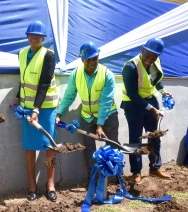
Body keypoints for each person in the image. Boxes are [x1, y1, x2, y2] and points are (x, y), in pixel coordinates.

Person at [56, 41, 120, 178]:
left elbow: (106, 101)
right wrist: (59, 113)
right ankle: (93, 178)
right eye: (88, 59)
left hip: (108, 116)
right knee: (89, 148)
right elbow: (69, 95)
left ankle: (114, 177)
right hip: (87, 117)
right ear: (82, 59)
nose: (92, 62)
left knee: (112, 145)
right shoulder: (76, 74)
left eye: (95, 59)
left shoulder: (107, 74)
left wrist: (100, 125)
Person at [11, 21, 59, 202]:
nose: (34, 38)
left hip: (45, 107)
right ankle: (32, 185)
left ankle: (50, 184)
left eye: (38, 36)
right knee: (30, 146)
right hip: (26, 107)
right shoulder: (22, 53)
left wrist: (37, 108)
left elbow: (44, 83)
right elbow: (23, 80)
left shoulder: (48, 55)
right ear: (27, 36)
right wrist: (17, 97)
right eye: (31, 35)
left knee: (49, 146)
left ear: (43, 38)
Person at [121, 37, 172, 183]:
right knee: (135, 139)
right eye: (148, 54)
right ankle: (136, 172)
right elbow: (132, 94)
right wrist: (152, 109)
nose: (150, 58)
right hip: (133, 105)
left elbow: (155, 79)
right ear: (142, 50)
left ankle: (155, 167)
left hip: (150, 101)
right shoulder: (130, 67)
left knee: (154, 136)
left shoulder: (156, 61)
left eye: (154, 56)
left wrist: (162, 91)